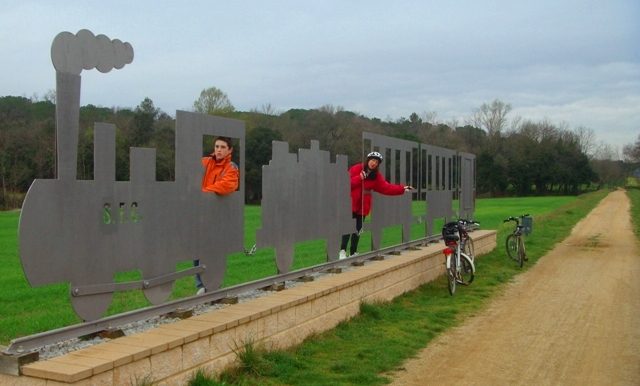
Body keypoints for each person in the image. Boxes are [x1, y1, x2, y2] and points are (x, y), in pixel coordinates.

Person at [339, 151, 413, 259]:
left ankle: (353, 252)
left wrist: (402, 188)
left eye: (377, 162)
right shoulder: (356, 168)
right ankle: (342, 251)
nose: (374, 163)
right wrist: (359, 178)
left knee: (358, 229)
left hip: (363, 207)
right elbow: (345, 183)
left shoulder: (376, 176)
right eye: (373, 160)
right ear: (368, 160)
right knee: (347, 228)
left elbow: (386, 187)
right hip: (351, 203)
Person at [195, 136, 239, 294]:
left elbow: (228, 184)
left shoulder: (231, 167)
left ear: (229, 150)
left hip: (218, 215)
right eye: (216, 146)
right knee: (197, 248)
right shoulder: (205, 162)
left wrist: (204, 193)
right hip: (201, 214)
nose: (218, 150)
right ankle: (201, 285)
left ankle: (211, 284)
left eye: (222, 147)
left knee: (212, 250)